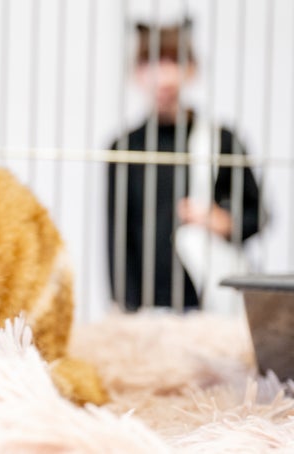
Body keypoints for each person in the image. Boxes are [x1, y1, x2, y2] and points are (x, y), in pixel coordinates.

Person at [106, 17, 262, 312]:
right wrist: (124, 308)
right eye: (150, 62)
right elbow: (118, 240)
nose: (162, 74)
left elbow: (259, 215)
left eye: (173, 61)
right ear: (136, 72)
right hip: (147, 310)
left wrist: (223, 220)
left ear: (191, 68)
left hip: (214, 305)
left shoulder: (221, 141)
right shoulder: (124, 147)